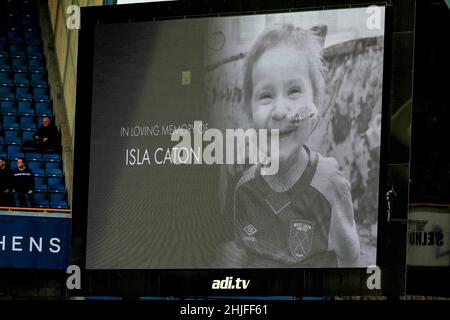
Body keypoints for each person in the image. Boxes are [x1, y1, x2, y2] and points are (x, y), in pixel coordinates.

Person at [221, 24, 360, 268]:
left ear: (314, 108)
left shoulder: (330, 188)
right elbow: (243, 257)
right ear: (249, 113)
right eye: (265, 95)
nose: (280, 111)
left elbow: (349, 258)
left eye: (294, 91)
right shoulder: (244, 190)